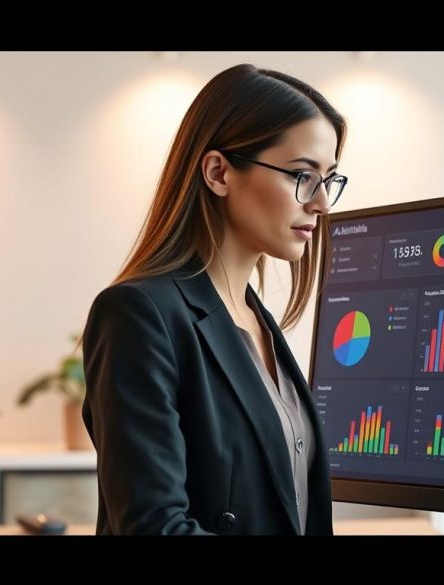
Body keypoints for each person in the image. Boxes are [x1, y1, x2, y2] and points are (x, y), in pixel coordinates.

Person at [79, 63, 348, 535]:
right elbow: (152, 527)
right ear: (219, 172)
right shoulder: (138, 314)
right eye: (303, 175)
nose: (322, 202)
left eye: (330, 179)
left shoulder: (257, 321)